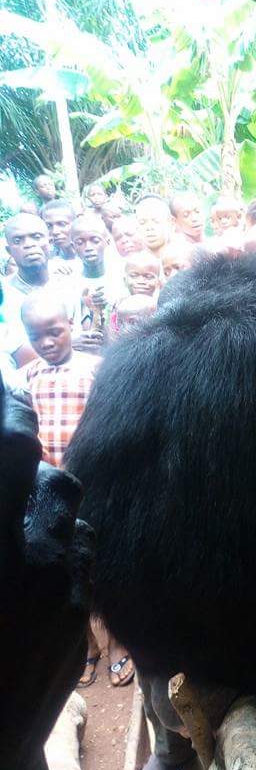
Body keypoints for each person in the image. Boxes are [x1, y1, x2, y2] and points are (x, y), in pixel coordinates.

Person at [19, 291, 134, 689]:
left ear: (71, 325)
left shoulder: (96, 369)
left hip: (94, 483)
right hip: (51, 490)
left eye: (54, 332)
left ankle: (119, 642)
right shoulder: (29, 376)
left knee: (105, 565)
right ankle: (87, 646)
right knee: (67, 568)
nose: (48, 343)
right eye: (38, 337)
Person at [1, 213, 75, 367]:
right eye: (18, 240)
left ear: (50, 242)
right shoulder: (3, 293)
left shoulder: (71, 284)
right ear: (9, 251)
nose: (28, 244)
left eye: (36, 237)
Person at [70, 213, 125, 339]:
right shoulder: (68, 283)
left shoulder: (123, 276)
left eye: (95, 241)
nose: (88, 247)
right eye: (80, 242)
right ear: (73, 247)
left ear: (107, 242)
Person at [40, 198, 78, 266]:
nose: (55, 232)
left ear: (75, 224)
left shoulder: (93, 252)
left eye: (62, 224)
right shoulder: (48, 257)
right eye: (49, 226)